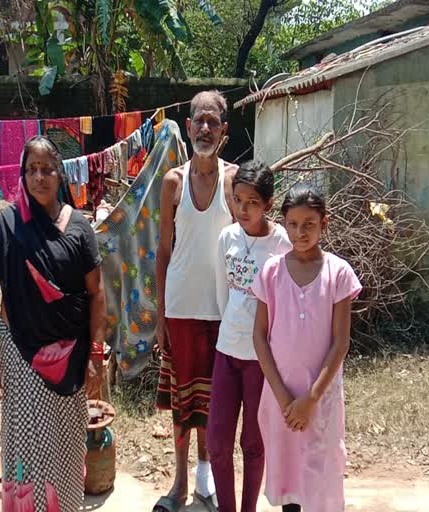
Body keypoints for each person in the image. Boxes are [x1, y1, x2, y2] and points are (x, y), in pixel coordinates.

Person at [0, 135, 106, 512]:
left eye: (47, 168)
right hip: (21, 352)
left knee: (66, 445)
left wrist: (96, 353)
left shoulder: (79, 227)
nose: (39, 177)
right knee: (29, 445)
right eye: (31, 169)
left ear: (60, 173)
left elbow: (96, 294)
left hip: (73, 355)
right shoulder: (6, 227)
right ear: (22, 175)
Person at [251, 185, 362, 512]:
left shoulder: (338, 272)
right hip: (280, 397)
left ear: (324, 223)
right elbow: (259, 336)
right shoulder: (271, 272)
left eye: (309, 224)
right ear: (284, 223)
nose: (300, 232)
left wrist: (311, 399)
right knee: (289, 478)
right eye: (293, 224)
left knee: (317, 475)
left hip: (320, 398)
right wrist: (286, 398)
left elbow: (341, 342)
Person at [154, 90, 237, 512]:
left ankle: (208, 482)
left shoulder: (233, 181)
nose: (205, 129)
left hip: (224, 312)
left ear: (224, 130)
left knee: (214, 403)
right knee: (182, 402)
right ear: (188, 127)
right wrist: (159, 317)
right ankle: (180, 485)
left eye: (213, 122)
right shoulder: (172, 181)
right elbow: (164, 252)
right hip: (181, 309)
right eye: (198, 121)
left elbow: (250, 245)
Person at [208, 162, 292, 512]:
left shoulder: (282, 244)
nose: (243, 209)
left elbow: (286, 304)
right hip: (227, 352)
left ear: (268, 204)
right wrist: (233, 328)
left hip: (261, 360)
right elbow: (221, 294)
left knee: (253, 443)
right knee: (217, 443)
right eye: (238, 200)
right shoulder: (226, 238)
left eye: (252, 202)